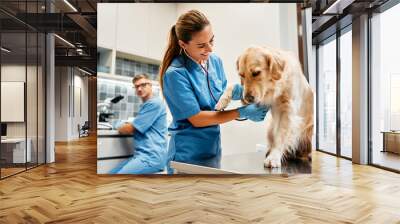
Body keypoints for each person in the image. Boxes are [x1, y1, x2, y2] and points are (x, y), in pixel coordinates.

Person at [159, 10, 270, 173]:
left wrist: (243, 92)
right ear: (183, 44)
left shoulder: (215, 61)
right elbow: (197, 119)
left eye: (211, 40)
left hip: (213, 150)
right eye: (201, 45)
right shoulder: (175, 73)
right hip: (186, 155)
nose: (209, 49)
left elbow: (221, 98)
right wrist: (242, 112)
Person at [109, 74, 168, 174]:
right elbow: (136, 124)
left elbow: (130, 129)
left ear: (150, 85)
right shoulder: (146, 106)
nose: (139, 89)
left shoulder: (154, 104)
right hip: (141, 156)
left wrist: (117, 125)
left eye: (143, 85)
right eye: (136, 86)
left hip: (151, 158)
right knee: (111, 174)